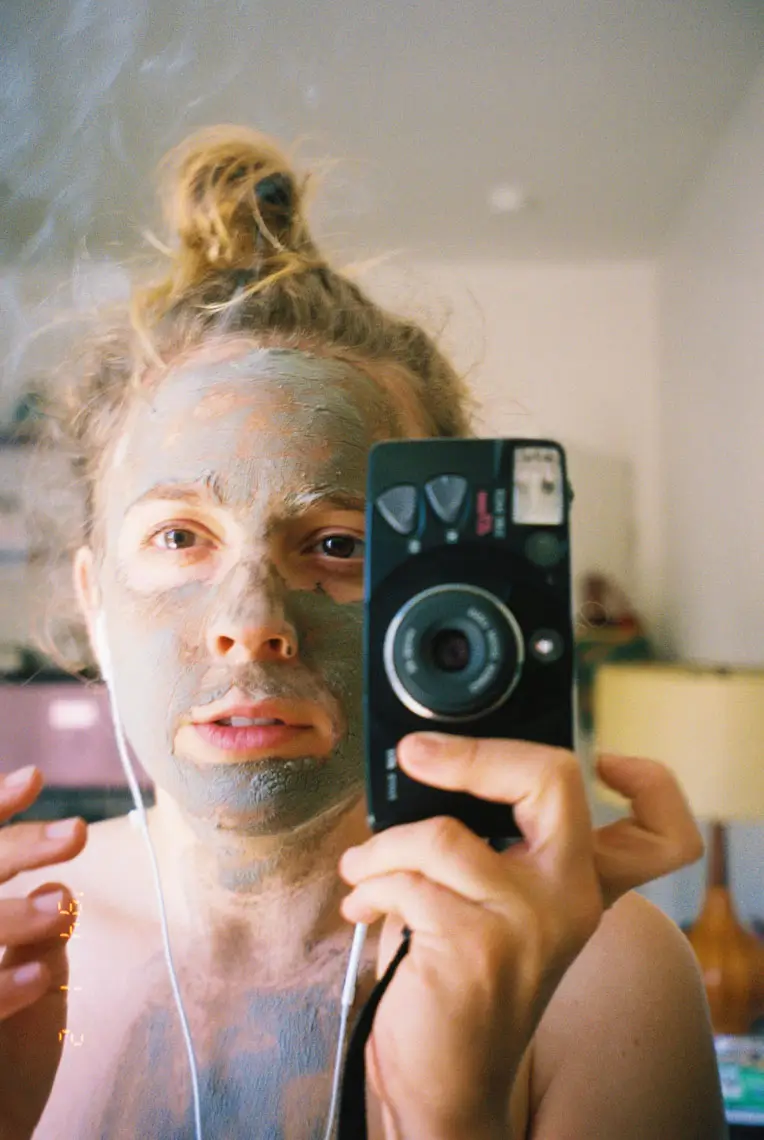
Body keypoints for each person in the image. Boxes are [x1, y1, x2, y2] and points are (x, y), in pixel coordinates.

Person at [0, 126, 726, 1140]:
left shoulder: (593, 979)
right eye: (178, 536)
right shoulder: (14, 953)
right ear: (92, 599)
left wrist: (452, 1115)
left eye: (337, 542)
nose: (251, 628)